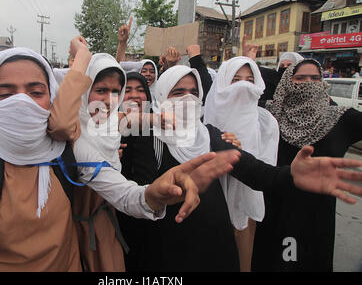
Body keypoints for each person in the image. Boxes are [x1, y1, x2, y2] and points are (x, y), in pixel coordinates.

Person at [0, 41, 240, 272]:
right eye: (4, 94)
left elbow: (127, 195)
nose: (22, 102)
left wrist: (153, 195)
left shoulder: (69, 150)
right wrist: (82, 57)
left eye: (35, 91)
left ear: (52, 99)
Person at [118, 63, 362, 272]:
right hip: (166, 253)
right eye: (178, 92)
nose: (188, 98)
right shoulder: (148, 138)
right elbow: (143, 197)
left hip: (216, 252)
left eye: (194, 91)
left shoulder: (209, 135)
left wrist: (290, 175)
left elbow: (256, 173)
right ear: (161, 96)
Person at [53, 52, 241, 271]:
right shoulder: (79, 138)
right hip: (85, 227)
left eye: (116, 92)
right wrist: (152, 195)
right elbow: (125, 194)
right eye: (101, 90)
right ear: (84, 93)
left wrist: (156, 118)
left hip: (110, 222)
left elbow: (125, 119)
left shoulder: (107, 123)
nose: (108, 100)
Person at [253, 58, 362, 272]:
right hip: (274, 213)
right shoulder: (268, 117)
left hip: (317, 218)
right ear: (287, 81)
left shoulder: (340, 119)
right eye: (300, 78)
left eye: (315, 78)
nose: (308, 83)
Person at [203, 56, 279, 272]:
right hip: (210, 204)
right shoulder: (205, 119)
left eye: (249, 80)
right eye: (236, 80)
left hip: (245, 206)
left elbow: (265, 170)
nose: (244, 86)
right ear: (223, 83)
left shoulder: (265, 122)